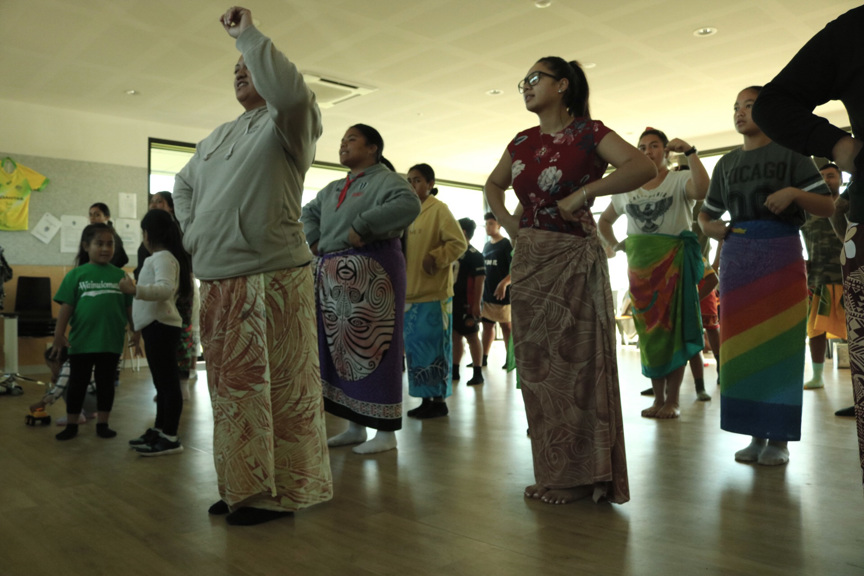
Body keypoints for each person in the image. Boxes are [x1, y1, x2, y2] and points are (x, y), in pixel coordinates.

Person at [172, 6, 332, 526]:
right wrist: (195, 233)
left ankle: (279, 495)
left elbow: (290, 92)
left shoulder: (290, 122)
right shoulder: (215, 137)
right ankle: (241, 485)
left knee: (280, 392)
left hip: (272, 274)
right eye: (235, 72)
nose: (241, 73)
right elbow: (183, 184)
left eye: (249, 68)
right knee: (231, 394)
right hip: (217, 278)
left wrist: (247, 38)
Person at [485, 56, 656, 505]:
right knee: (538, 371)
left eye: (534, 79)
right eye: (523, 80)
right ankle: (554, 469)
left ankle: (582, 476)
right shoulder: (521, 140)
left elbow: (641, 168)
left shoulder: (588, 132)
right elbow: (493, 184)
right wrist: (510, 223)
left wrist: (585, 193)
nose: (525, 86)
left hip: (572, 258)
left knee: (577, 366)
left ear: (561, 86)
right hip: (531, 259)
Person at [699, 86, 834, 466]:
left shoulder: (792, 152)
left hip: (781, 250)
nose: (740, 113)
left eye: (749, 105)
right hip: (738, 254)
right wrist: (711, 229)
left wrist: (793, 192)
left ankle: (780, 440)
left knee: (781, 348)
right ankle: (755, 434)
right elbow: (706, 215)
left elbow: (826, 205)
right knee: (741, 348)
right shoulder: (726, 163)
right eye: (735, 107)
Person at [301, 124, 420, 454]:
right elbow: (307, 211)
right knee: (341, 354)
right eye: (341, 141)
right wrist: (313, 239)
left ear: (373, 148)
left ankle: (385, 434)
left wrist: (362, 226)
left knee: (374, 349)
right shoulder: (333, 187)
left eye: (351, 139)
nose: (342, 145)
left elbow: (408, 204)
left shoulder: (388, 180)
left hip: (372, 271)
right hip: (335, 278)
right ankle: (354, 426)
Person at [598, 128, 710, 417]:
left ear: (665, 151)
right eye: (643, 147)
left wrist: (691, 152)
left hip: (674, 264)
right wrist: (614, 245)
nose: (648, 151)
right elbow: (605, 221)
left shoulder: (678, 180)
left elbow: (703, 190)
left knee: (675, 329)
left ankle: (672, 400)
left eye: (654, 146)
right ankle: (657, 398)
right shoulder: (625, 189)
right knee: (649, 333)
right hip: (640, 269)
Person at [51, 223, 134, 441]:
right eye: (100, 243)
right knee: (77, 383)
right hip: (82, 342)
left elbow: (129, 307)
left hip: (111, 341)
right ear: (86, 246)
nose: (105, 248)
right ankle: (71, 424)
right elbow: (66, 308)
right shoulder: (76, 275)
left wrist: (136, 331)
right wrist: (59, 334)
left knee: (106, 384)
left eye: (110, 244)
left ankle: (103, 423)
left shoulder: (121, 276)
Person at [120, 209, 193, 456]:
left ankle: (170, 436)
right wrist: (138, 330)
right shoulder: (159, 258)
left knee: (168, 384)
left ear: (148, 235)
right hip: (155, 327)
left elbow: (164, 290)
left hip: (163, 328)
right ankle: (160, 429)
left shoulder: (164, 258)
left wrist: (134, 290)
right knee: (161, 384)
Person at [403, 163, 467, 419]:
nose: (412, 185)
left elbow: (458, 243)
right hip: (409, 295)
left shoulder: (439, 210)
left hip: (434, 295)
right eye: (409, 180)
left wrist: (437, 257)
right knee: (416, 350)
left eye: (417, 180)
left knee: (435, 348)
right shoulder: (407, 212)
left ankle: (438, 401)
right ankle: (424, 399)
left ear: (430, 184)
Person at [137, 191, 199, 400]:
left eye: (159, 201)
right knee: (161, 360)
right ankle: (166, 390)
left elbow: (167, 285)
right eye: (151, 201)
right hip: (155, 307)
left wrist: (136, 290)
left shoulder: (176, 235)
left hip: (178, 294)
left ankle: (181, 383)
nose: (154, 204)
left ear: (171, 207)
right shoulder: (150, 243)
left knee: (182, 336)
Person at [800, 163, 846, 390]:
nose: (827, 180)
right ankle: (817, 376)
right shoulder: (809, 209)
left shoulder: (850, 205)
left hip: (850, 277)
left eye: (831, 176)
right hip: (818, 278)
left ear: (841, 180)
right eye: (823, 177)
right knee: (815, 329)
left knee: (856, 330)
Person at [452, 217, 486, 386]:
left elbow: (480, 280)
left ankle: (478, 372)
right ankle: (455, 370)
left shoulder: (475, 255)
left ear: (463, 232)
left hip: (468, 302)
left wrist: (476, 304)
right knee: (455, 336)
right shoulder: (453, 251)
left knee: (472, 336)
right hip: (453, 302)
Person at [478, 212, 512, 370]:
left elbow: (515, 269)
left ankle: (510, 359)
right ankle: (483, 358)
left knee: (506, 327)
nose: (488, 227)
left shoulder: (506, 244)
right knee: (487, 326)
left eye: (491, 223)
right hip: (487, 293)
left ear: (499, 225)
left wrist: (504, 284)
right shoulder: (487, 245)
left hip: (503, 294)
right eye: (486, 224)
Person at [88, 202, 129, 268]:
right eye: (90, 215)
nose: (92, 218)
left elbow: (122, 259)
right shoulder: (91, 234)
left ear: (106, 217)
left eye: (97, 215)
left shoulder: (111, 235)